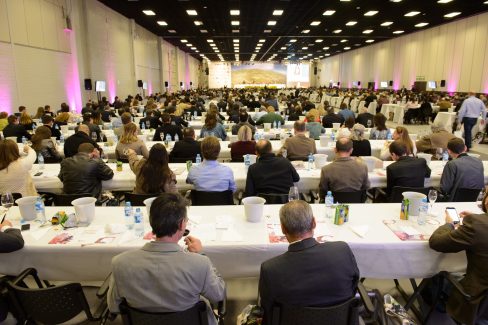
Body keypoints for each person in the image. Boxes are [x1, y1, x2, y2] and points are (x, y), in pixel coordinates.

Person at [107, 193, 225, 325]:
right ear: (181, 224)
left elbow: (114, 307)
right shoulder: (200, 263)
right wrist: (201, 254)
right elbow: (218, 294)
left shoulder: (120, 263)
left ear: (152, 222)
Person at [258, 200, 359, 324]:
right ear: (314, 223)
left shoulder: (271, 269)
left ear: (283, 229)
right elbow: (353, 288)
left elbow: (267, 311)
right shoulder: (342, 251)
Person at [428, 193, 488, 325]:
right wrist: (477, 219)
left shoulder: (477, 224)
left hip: (476, 299)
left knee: (437, 273)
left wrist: (449, 224)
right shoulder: (477, 223)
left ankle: (434, 311)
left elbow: (436, 242)